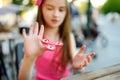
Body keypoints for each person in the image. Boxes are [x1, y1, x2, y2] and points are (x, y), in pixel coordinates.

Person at [18, 0, 95, 80]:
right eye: (50, 8)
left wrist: (78, 66)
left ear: (66, 12)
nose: (56, 14)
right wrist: (29, 58)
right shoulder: (36, 38)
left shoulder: (69, 37)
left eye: (61, 10)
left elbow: (75, 62)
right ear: (41, 9)